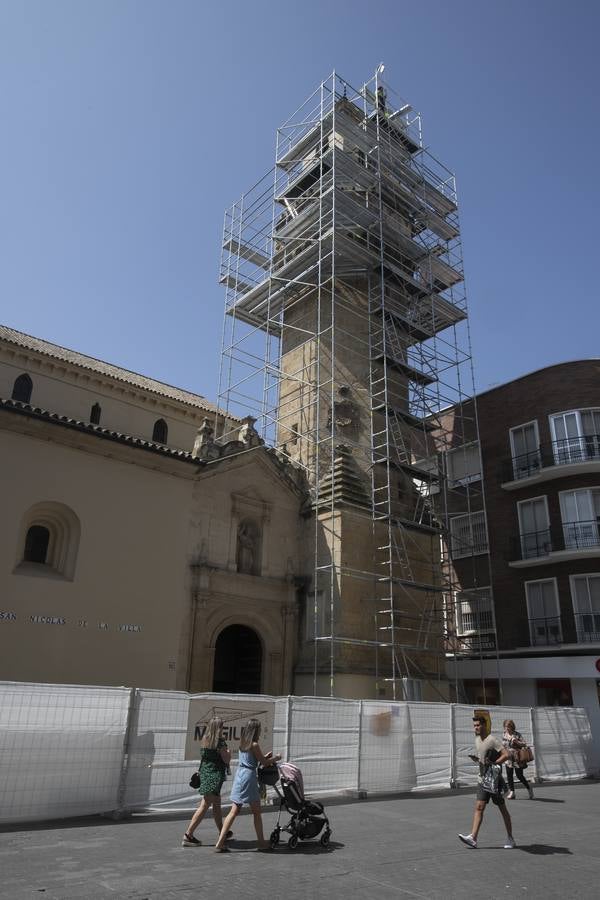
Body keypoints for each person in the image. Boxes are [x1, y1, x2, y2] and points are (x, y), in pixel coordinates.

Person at [214, 718, 281, 853]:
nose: (261, 730)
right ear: (255, 730)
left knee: (234, 810)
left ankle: (220, 842)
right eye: (260, 728)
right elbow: (263, 762)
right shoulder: (254, 744)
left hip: (240, 775)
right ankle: (261, 843)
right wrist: (276, 758)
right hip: (249, 777)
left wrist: (264, 757)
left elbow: (254, 759)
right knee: (256, 812)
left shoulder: (243, 743)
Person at [458, 715, 516, 850]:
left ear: (484, 725)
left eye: (478, 725)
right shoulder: (477, 740)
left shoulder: (493, 740)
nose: (476, 728)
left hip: (494, 781)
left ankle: (510, 838)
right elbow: (483, 758)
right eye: (474, 725)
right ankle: (473, 838)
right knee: (479, 807)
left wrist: (496, 763)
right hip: (482, 779)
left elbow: (506, 754)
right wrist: (478, 759)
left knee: (502, 809)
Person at [181, 717, 232, 847]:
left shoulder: (205, 739)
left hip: (206, 773)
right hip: (215, 775)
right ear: (218, 728)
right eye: (222, 726)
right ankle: (188, 834)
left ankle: (222, 832)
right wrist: (229, 753)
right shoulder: (220, 742)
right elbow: (226, 760)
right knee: (205, 806)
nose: (223, 728)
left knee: (216, 805)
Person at [502, 719, 534, 799]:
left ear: (512, 727)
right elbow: (503, 745)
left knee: (519, 775)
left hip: (517, 758)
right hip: (508, 758)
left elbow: (524, 744)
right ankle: (512, 792)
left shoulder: (517, 734)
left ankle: (529, 788)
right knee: (509, 775)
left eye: (509, 726)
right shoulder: (504, 735)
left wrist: (516, 741)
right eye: (506, 726)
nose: (507, 728)